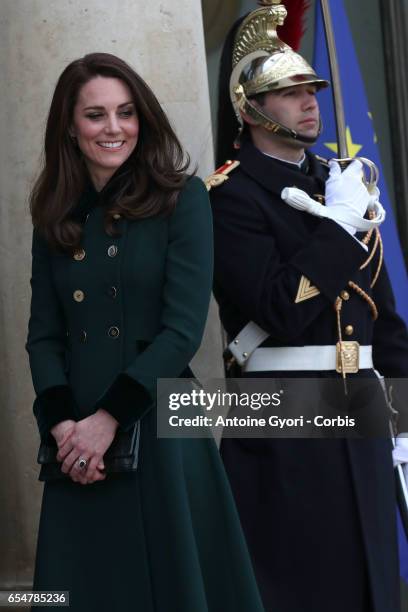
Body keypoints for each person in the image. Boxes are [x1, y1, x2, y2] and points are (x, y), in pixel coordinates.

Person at [26, 52, 265, 612]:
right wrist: (64, 426)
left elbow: (182, 331)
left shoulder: (183, 199)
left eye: (126, 112)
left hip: (157, 419)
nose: (113, 128)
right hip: (75, 437)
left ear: (143, 118)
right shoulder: (54, 214)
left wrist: (107, 422)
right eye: (95, 115)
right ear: (69, 125)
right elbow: (44, 336)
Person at [208, 3, 408, 612]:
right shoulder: (231, 197)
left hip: (364, 415)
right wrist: (342, 231)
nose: (309, 103)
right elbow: (279, 307)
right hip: (284, 426)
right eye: (289, 93)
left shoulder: (340, 183)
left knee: (376, 585)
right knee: (305, 584)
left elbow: (384, 317)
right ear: (250, 109)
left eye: (311, 89)